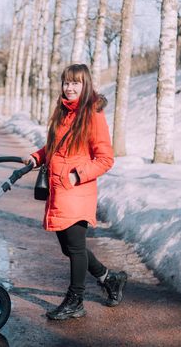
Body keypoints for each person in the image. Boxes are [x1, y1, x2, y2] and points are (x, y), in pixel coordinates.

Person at [23, 64, 127, 320]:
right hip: (59, 191)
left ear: (86, 85)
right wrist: (37, 157)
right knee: (69, 249)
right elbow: (54, 147)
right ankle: (109, 278)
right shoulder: (63, 112)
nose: (69, 88)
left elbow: (105, 158)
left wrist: (77, 174)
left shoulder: (92, 114)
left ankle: (75, 300)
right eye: (66, 83)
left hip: (76, 190)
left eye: (75, 83)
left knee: (76, 248)